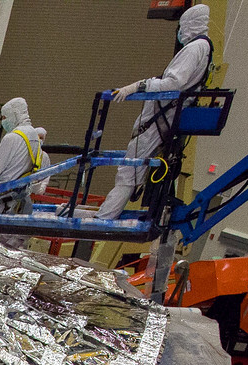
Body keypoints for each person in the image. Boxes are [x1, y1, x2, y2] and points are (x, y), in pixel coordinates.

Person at [91, 4, 212, 220]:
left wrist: (139, 86)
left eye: (182, 27)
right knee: (133, 167)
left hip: (162, 115)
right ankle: (106, 213)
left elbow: (174, 82)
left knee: (129, 170)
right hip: (166, 114)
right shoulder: (203, 48)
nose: (180, 32)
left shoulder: (194, 49)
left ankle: (105, 217)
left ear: (190, 25)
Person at [0, 97, 46, 215]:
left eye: (4, 117)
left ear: (15, 114)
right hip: (19, 196)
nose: (3, 122)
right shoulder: (34, 136)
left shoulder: (12, 137)